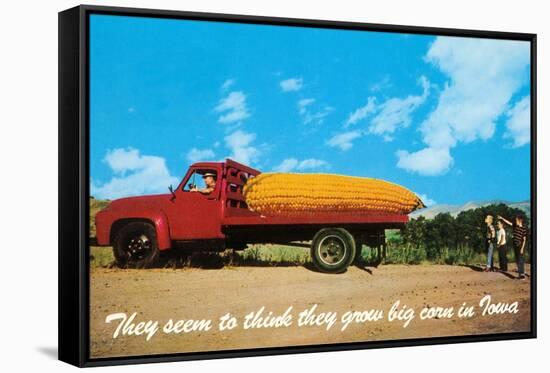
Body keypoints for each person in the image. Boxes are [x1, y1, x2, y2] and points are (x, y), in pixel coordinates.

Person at [498, 215, 528, 279]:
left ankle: (522, 275)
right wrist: (502, 218)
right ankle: (520, 272)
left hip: (520, 245)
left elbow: (524, 239)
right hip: (515, 245)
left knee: (520, 260)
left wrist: (522, 248)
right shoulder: (515, 225)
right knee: (517, 259)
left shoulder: (524, 228)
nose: (515, 221)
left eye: (516, 220)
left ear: (520, 220)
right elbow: (509, 223)